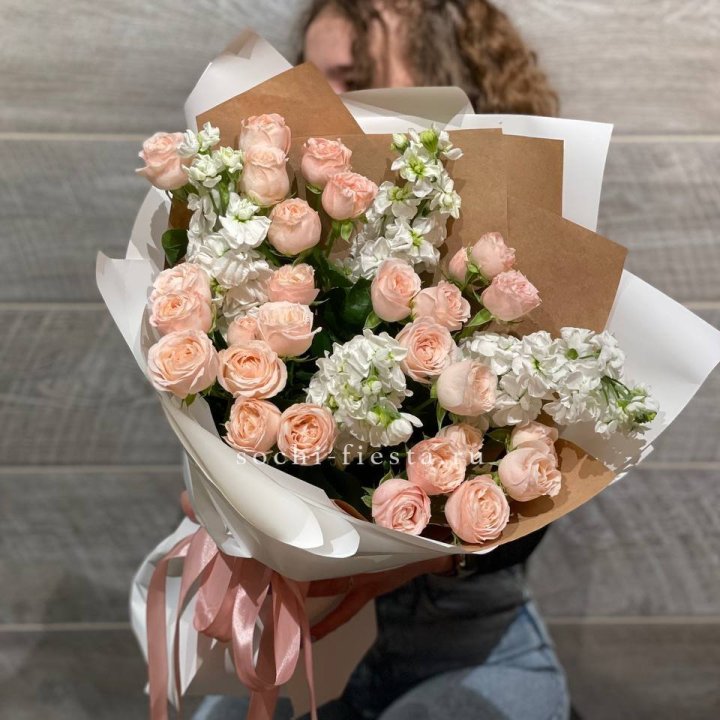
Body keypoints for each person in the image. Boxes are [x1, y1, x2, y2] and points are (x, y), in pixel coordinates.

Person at [195, 1, 567, 718]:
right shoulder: (281, 235)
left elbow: (555, 481)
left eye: (353, 74)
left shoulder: (511, 245)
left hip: (468, 638)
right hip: (302, 634)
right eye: (312, 77)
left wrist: (429, 550)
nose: (324, 103)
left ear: (441, 75)